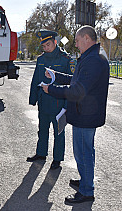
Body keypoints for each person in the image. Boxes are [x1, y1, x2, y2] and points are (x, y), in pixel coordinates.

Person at [41, 25, 109, 203]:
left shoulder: (93, 60)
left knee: (83, 153)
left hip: (85, 115)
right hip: (84, 113)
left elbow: (78, 90)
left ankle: (87, 191)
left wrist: (51, 89)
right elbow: (76, 79)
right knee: (85, 152)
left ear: (87, 38)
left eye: (78, 41)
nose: (76, 45)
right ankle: (85, 181)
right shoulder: (91, 57)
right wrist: (56, 75)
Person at [27, 30, 74, 170]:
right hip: (44, 101)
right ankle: (41, 153)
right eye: (44, 46)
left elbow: (72, 83)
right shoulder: (41, 60)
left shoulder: (66, 60)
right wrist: (33, 98)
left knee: (58, 132)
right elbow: (36, 78)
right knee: (42, 129)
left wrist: (67, 104)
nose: (46, 48)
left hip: (59, 103)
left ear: (55, 42)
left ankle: (57, 158)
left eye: (48, 45)